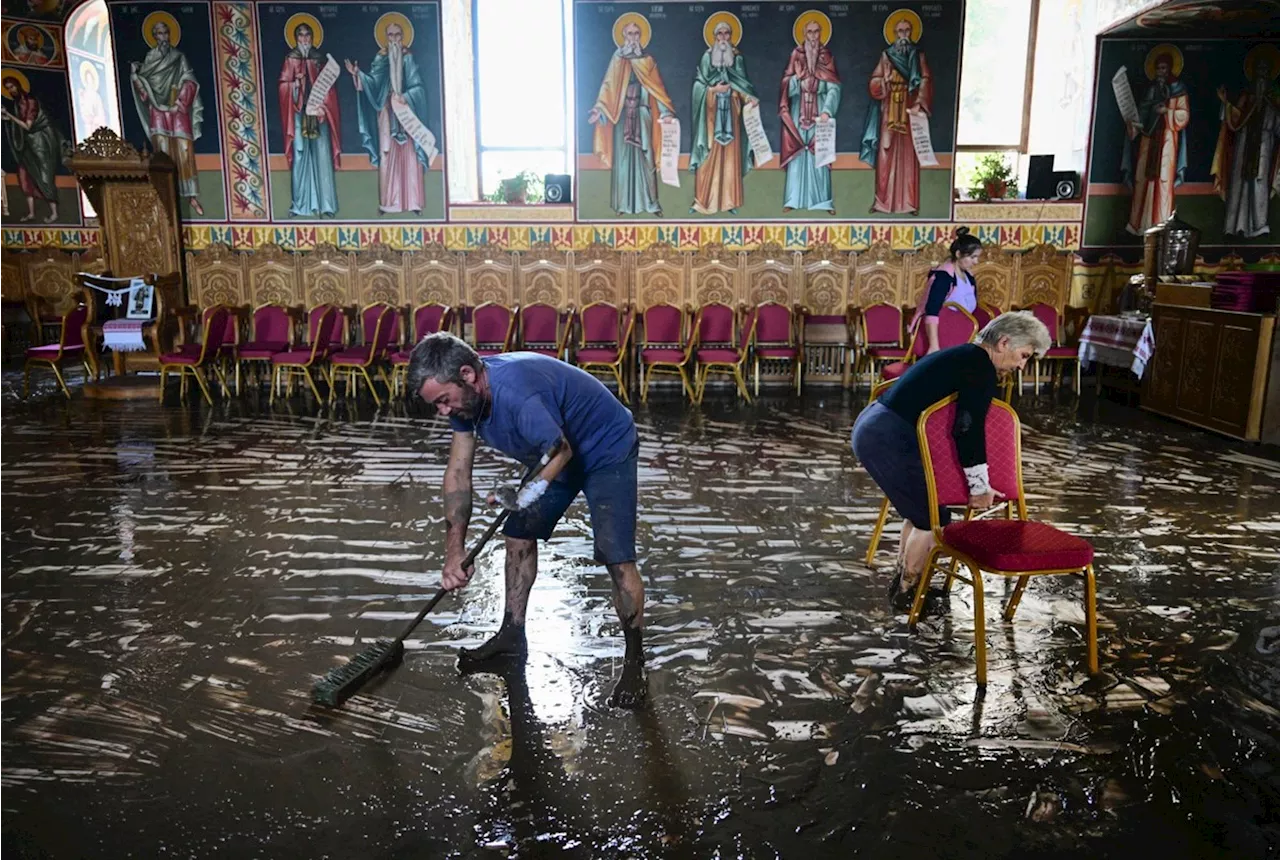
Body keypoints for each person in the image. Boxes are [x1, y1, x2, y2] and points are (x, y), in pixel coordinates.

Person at [407, 333, 647, 709]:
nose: (443, 412)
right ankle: (511, 635)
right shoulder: (466, 402)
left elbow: (560, 450)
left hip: (605, 447)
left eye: (443, 401)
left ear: (468, 375)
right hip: (555, 448)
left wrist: (524, 496)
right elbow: (458, 474)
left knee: (616, 556)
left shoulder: (517, 396)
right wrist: (454, 551)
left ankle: (635, 662)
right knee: (517, 533)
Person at [851, 312, 1050, 614]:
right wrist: (979, 486)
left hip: (876, 425)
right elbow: (967, 429)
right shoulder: (980, 367)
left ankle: (905, 584)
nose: (1022, 366)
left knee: (923, 511)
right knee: (933, 521)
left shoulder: (967, 355)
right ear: (1004, 342)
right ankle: (908, 595)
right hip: (887, 435)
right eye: (1023, 356)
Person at [345, 18, 436, 215]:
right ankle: (388, 203)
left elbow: (418, 87)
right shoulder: (380, 60)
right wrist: (358, 75)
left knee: (411, 156)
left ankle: (413, 202)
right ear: (385, 38)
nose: (394, 39)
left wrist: (406, 97)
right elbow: (373, 84)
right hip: (386, 115)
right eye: (390, 35)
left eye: (397, 35)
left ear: (403, 37)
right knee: (387, 155)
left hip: (407, 114)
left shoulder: (408, 58)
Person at [588, 15, 676, 217]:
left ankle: (652, 204)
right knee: (623, 162)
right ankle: (623, 205)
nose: (633, 38)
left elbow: (657, 89)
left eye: (636, 34)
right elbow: (608, 87)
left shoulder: (648, 61)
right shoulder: (617, 60)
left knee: (647, 160)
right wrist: (599, 109)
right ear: (623, 36)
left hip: (643, 115)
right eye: (629, 34)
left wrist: (666, 112)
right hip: (622, 117)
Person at [130, 18, 205, 215]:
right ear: (154, 37)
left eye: (165, 33)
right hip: (158, 112)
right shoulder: (149, 59)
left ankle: (191, 196)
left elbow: (190, 80)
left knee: (184, 149)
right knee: (162, 151)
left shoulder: (178, 57)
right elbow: (145, 92)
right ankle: (166, 195)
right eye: (159, 34)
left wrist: (180, 102)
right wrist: (136, 78)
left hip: (178, 111)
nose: (163, 37)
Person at [863, 13, 932, 215]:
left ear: (912, 33)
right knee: (885, 151)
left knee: (909, 155)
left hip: (910, 109)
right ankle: (882, 202)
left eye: (907, 31)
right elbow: (874, 82)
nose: (904, 35)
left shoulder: (918, 56)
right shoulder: (887, 55)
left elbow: (925, 79)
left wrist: (919, 103)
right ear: (894, 33)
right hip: (890, 109)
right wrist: (883, 81)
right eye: (900, 31)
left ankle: (909, 203)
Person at [689, 18, 759, 216]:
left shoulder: (737, 58)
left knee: (730, 159)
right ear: (714, 37)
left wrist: (748, 98)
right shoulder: (706, 57)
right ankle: (702, 200)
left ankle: (729, 201)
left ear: (731, 36)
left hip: (731, 114)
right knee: (708, 156)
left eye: (727, 34)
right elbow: (698, 86)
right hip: (709, 117)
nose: (723, 38)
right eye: (719, 34)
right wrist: (712, 90)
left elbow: (743, 84)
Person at [1212, 50, 1280, 238]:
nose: (1262, 72)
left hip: (1265, 143)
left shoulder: (1273, 97)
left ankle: (1259, 226)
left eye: (1265, 69)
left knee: (1259, 184)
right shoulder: (1246, 95)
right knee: (1239, 183)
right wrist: (1225, 103)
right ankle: (1235, 226)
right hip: (1244, 142)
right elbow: (1234, 119)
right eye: (1259, 68)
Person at [779, 15, 841, 214]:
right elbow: (785, 84)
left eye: (817, 32)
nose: (813, 37)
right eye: (810, 32)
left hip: (819, 110)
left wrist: (826, 111)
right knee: (798, 152)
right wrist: (796, 80)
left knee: (819, 152)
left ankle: (823, 200)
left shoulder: (826, 56)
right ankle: (793, 198)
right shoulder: (796, 54)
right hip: (798, 111)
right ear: (803, 35)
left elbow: (834, 87)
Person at [279, 22, 341, 218]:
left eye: (308, 35)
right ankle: (300, 205)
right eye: (301, 35)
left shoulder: (319, 59)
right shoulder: (290, 59)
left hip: (318, 114)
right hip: (298, 115)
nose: (304, 39)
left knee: (322, 156)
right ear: (296, 38)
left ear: (313, 38)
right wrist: (295, 85)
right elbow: (282, 87)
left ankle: (327, 206)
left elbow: (329, 88)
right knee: (300, 156)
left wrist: (323, 106)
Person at [1123, 51, 1188, 235]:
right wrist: (1134, 125)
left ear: (1170, 69)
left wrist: (1166, 111)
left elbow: (1183, 116)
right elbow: (1142, 116)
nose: (1161, 72)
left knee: (1163, 183)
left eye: (1164, 68)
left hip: (1167, 140)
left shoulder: (1178, 90)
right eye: (1158, 68)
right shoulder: (1151, 90)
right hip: (1148, 140)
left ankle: (1161, 224)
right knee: (1142, 179)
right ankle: (1139, 225)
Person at [0, 75, 62, 223]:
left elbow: (28, 126)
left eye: (12, 87)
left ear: (18, 85)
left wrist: (8, 115)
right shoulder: (18, 103)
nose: (11, 90)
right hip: (27, 144)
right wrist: (7, 119)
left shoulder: (30, 101)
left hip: (40, 143)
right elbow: (20, 123)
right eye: (8, 88)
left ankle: (54, 213)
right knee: (24, 175)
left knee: (44, 176)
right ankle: (31, 213)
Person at [911, 228, 982, 353]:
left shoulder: (969, 278)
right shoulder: (943, 277)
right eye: (972, 257)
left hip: (961, 337)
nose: (976, 262)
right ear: (958, 254)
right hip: (941, 338)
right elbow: (932, 311)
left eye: (977, 257)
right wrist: (934, 346)